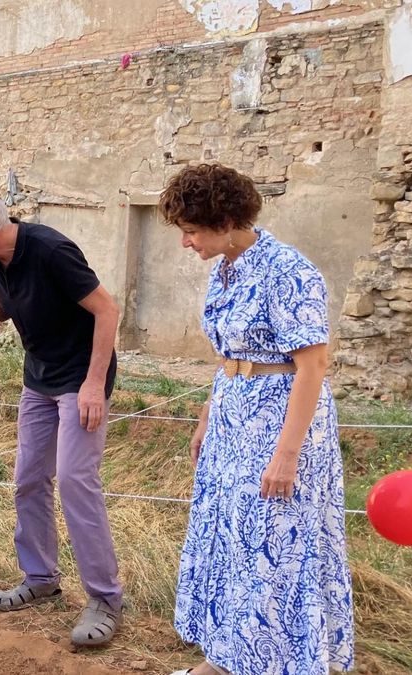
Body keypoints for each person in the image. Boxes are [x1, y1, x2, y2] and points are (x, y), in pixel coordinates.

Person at [159, 164, 353, 675]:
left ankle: (271, 665)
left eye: (192, 231)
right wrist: (207, 416)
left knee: (274, 546)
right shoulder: (226, 269)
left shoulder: (289, 271)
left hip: (279, 422)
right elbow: (231, 354)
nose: (186, 243)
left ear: (225, 221)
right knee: (231, 542)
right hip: (232, 417)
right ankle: (228, 660)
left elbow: (312, 366)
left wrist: (287, 454)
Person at [0, 192, 123, 646]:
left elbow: (107, 309)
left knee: (76, 480)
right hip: (39, 378)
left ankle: (105, 598)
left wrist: (94, 383)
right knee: (27, 478)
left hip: (82, 379)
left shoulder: (50, 250)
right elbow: (19, 296)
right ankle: (41, 577)